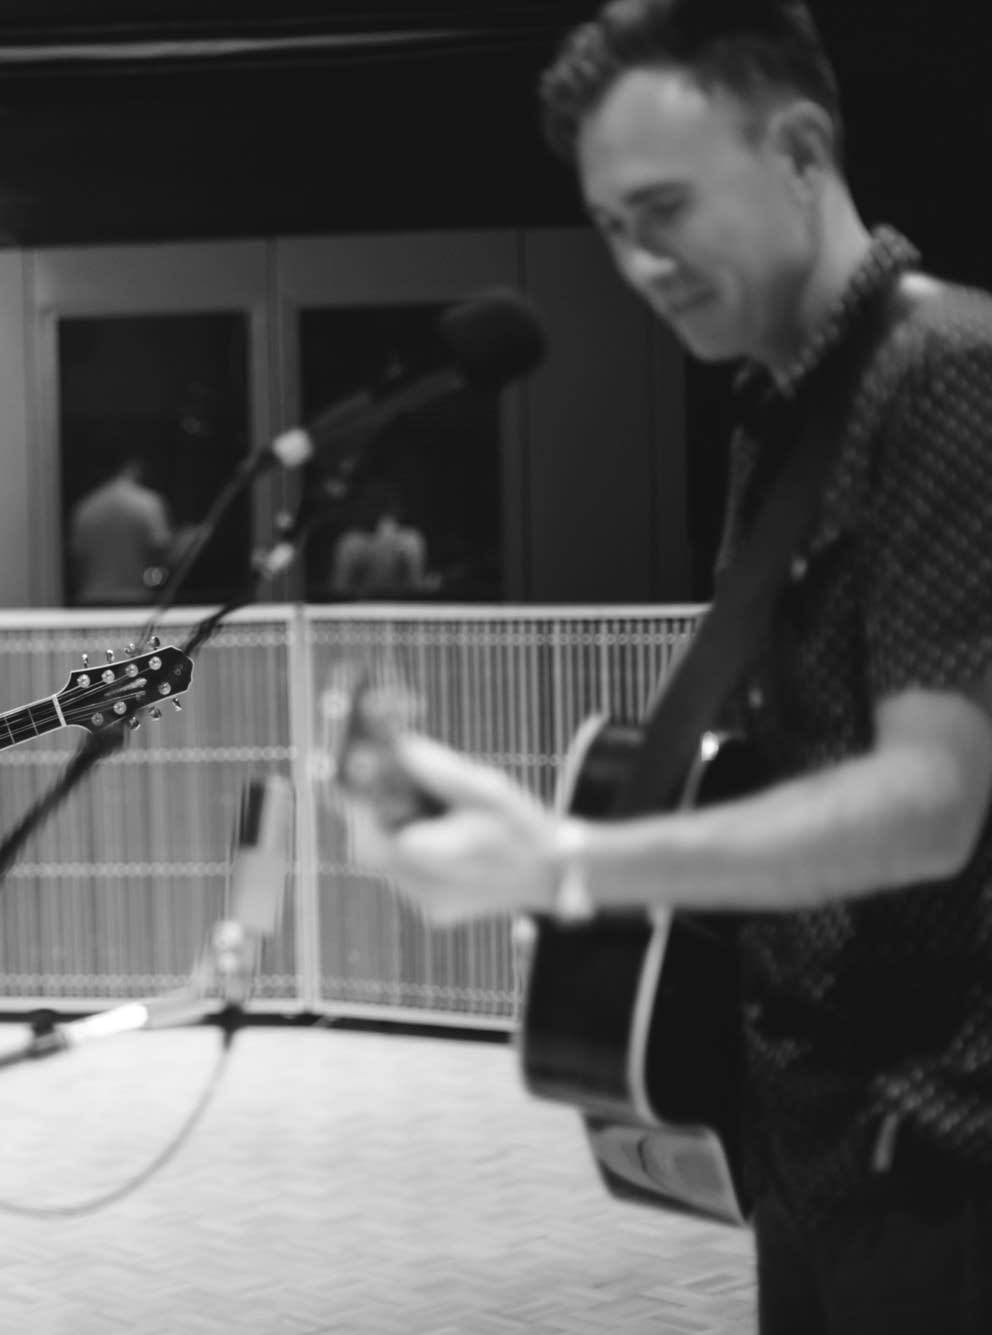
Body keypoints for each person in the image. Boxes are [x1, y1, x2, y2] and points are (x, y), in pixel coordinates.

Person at [342, 3, 992, 1331]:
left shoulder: (947, 375)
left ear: (802, 149)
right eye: (612, 225)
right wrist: (508, 811)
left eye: (667, 207)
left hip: (946, 1144)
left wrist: (572, 866)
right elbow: (788, 764)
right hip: (814, 1143)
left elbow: (931, 800)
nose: (640, 259)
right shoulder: (779, 404)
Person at [67, 446, 176, 604]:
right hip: (135, 598)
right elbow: (159, 554)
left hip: (92, 599)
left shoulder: (86, 507)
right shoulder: (148, 503)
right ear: (133, 465)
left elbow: (76, 563)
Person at [328, 501, 435, 599]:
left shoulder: (410, 540)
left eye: (389, 524)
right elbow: (338, 590)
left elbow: (416, 588)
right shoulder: (350, 542)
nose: (385, 532)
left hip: (401, 609)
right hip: (359, 609)